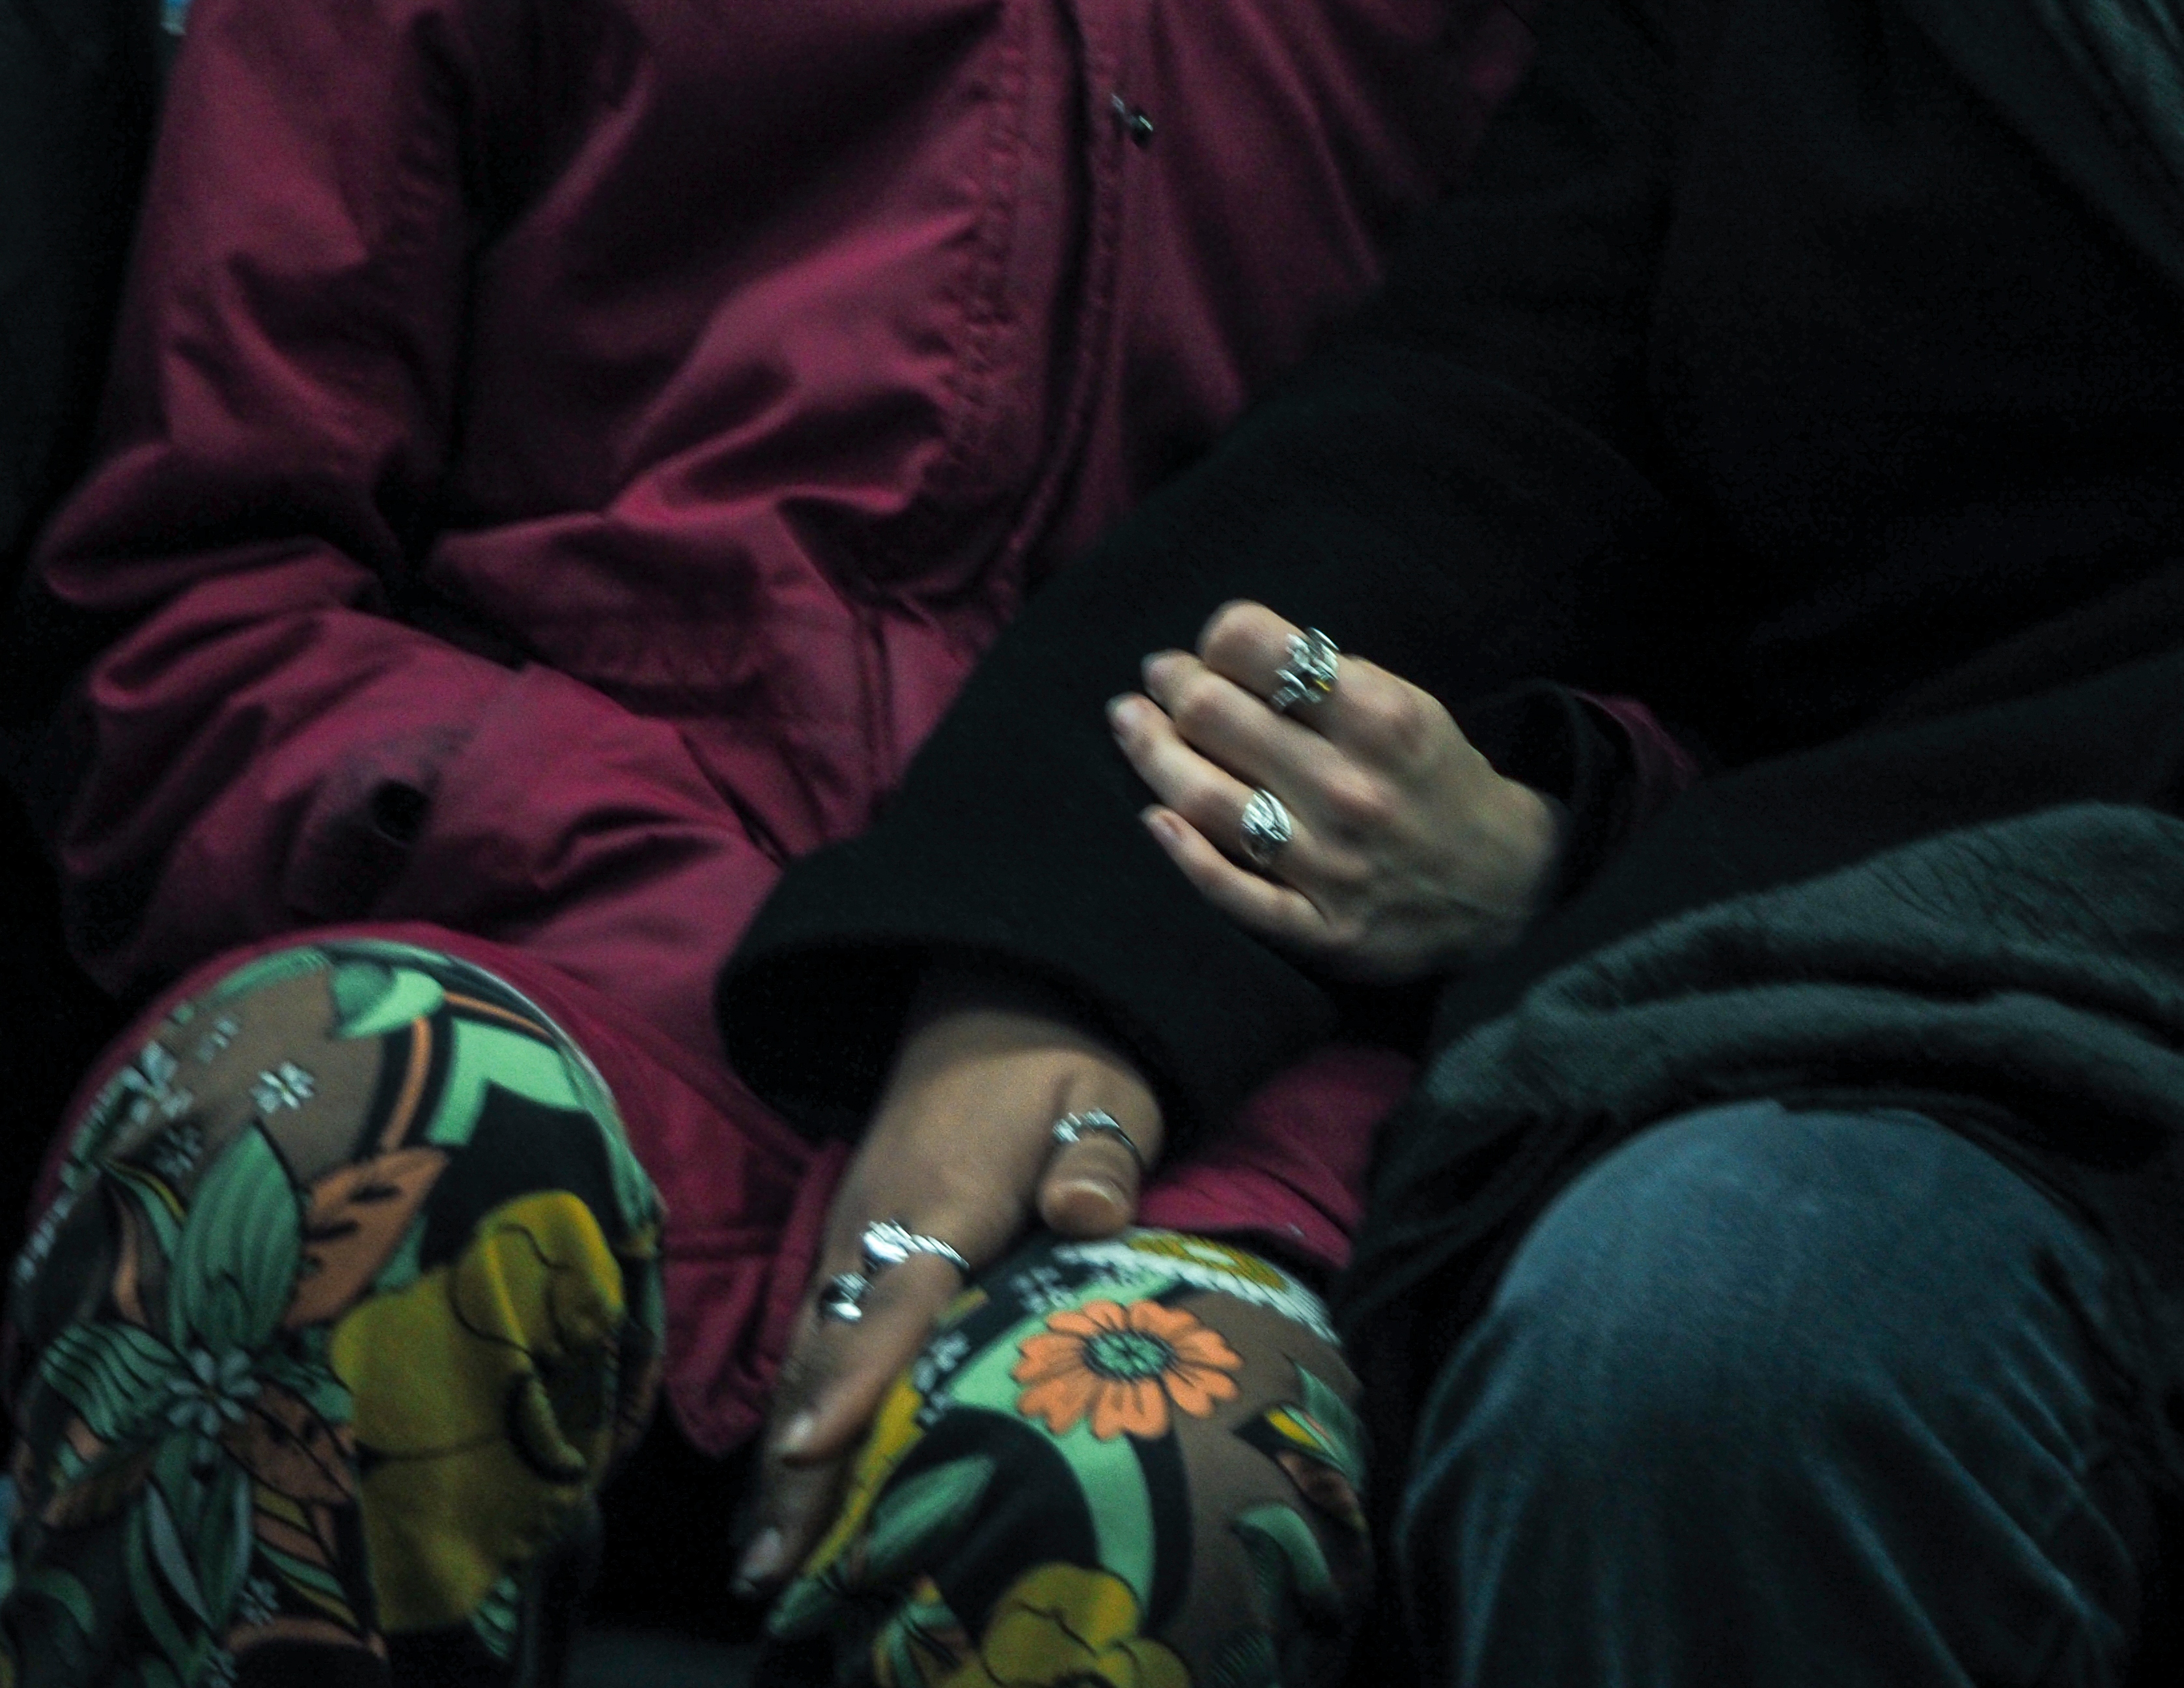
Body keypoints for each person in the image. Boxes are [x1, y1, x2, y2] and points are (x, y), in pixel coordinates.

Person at [0, 0, 1709, 1681]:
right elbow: (207, 618)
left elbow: (1770, 627)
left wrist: (1551, 831)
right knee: (320, 1130)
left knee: (1163, 1464)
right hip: (559, 937)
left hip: (1207, 1063)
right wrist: (790, 967)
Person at [713, 0, 2184, 1679]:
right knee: (1704, 1325)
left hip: (2057, 907)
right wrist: (1058, 942)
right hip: (1974, 991)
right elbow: (1480, 425)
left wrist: (1592, 862)